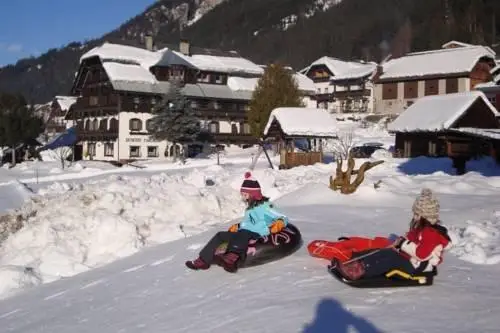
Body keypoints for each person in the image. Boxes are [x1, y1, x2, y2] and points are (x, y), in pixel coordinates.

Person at [335, 188, 452, 280]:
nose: (414, 216)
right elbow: (412, 243)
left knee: (389, 260)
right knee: (384, 252)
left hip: (418, 266)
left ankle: (361, 271)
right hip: (410, 259)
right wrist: (400, 243)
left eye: (417, 213)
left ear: (423, 215)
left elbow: (421, 254)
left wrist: (403, 243)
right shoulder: (423, 228)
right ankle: (357, 264)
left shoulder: (430, 233)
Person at [185, 172, 289, 273]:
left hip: (258, 233)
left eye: (245, 194)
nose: (243, 197)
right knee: (220, 235)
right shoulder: (249, 209)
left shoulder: (266, 206)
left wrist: (279, 223)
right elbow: (247, 223)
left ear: (253, 194)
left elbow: (282, 217)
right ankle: (203, 260)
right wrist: (238, 226)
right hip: (244, 233)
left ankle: (231, 258)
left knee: (244, 233)